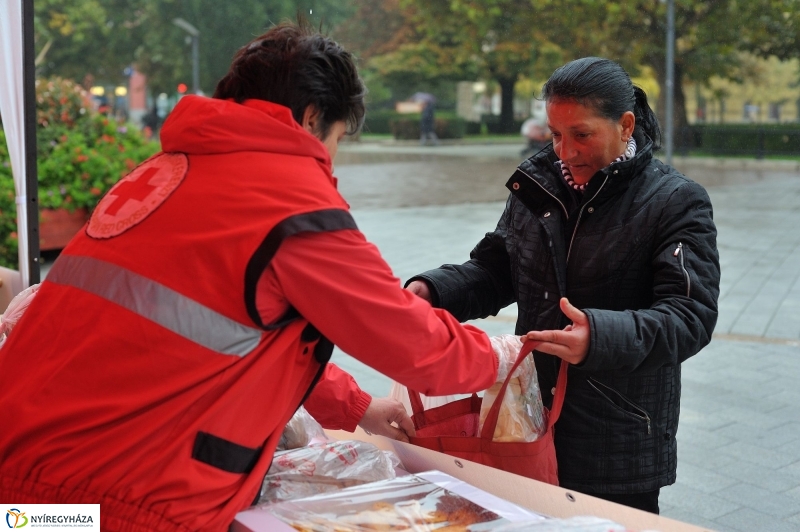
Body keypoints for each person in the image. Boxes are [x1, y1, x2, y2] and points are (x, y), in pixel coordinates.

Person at [0, 21, 513, 532]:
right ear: (312, 118)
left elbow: (236, 335)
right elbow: (415, 344)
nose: (331, 161)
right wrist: (504, 356)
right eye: (336, 140)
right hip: (123, 498)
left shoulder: (160, 175)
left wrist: (356, 405)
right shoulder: (290, 203)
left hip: (28, 499)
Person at [407, 57, 720, 514]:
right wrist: (432, 291)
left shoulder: (675, 200)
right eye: (555, 134)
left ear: (625, 125)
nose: (565, 151)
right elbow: (499, 269)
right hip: (528, 420)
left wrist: (597, 335)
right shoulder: (539, 184)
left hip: (617, 435)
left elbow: (690, 315)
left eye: (582, 135)